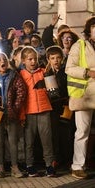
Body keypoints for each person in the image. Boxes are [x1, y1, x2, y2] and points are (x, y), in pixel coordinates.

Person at [0, 52, 27, 178]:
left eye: (4, 59)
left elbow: (21, 91)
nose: (2, 61)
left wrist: (15, 107)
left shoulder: (14, 76)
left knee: (13, 141)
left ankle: (14, 167)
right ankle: (0, 168)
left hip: (11, 113)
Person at [65, 16, 95, 179]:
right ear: (89, 30)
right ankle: (77, 167)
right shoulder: (80, 45)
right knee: (82, 131)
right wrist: (88, 72)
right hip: (84, 95)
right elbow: (69, 68)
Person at [19, 46, 56, 177]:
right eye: (30, 59)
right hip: (29, 111)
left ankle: (49, 165)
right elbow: (20, 97)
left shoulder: (43, 71)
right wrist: (22, 115)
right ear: (23, 61)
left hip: (44, 109)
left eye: (35, 59)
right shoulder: (21, 75)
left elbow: (52, 87)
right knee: (29, 140)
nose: (33, 61)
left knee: (46, 139)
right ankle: (29, 165)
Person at [44, 45, 72, 168]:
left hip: (66, 107)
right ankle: (57, 158)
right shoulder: (46, 73)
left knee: (67, 134)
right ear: (48, 60)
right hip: (53, 109)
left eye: (58, 57)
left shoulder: (67, 72)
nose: (56, 60)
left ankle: (68, 159)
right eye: (53, 58)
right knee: (54, 134)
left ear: (62, 58)